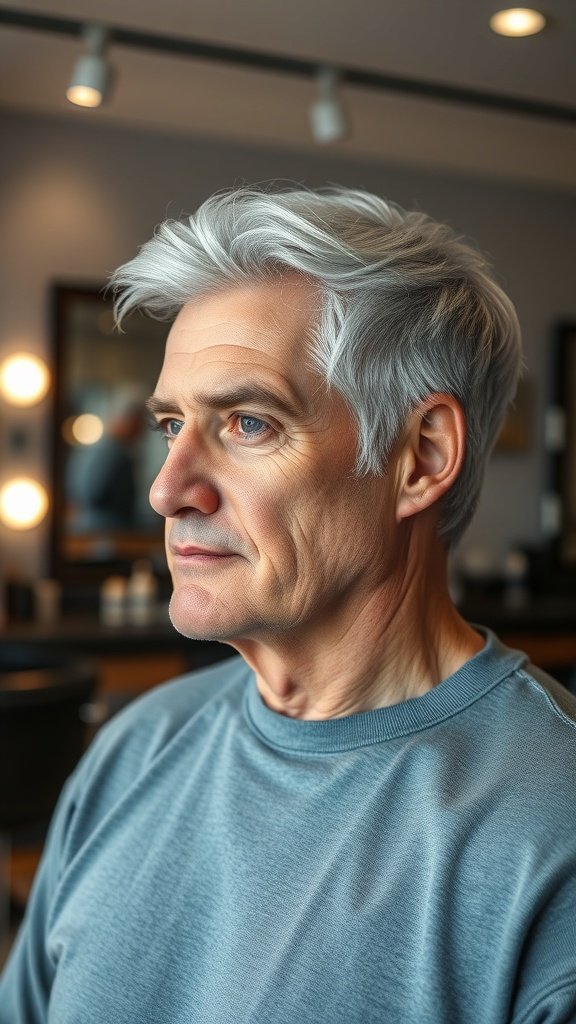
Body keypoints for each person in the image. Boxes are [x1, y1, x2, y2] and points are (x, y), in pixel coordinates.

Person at [2, 186, 575, 1023]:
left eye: (248, 424)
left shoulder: (550, 834)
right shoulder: (134, 751)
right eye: (171, 425)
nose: (168, 490)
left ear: (421, 457)